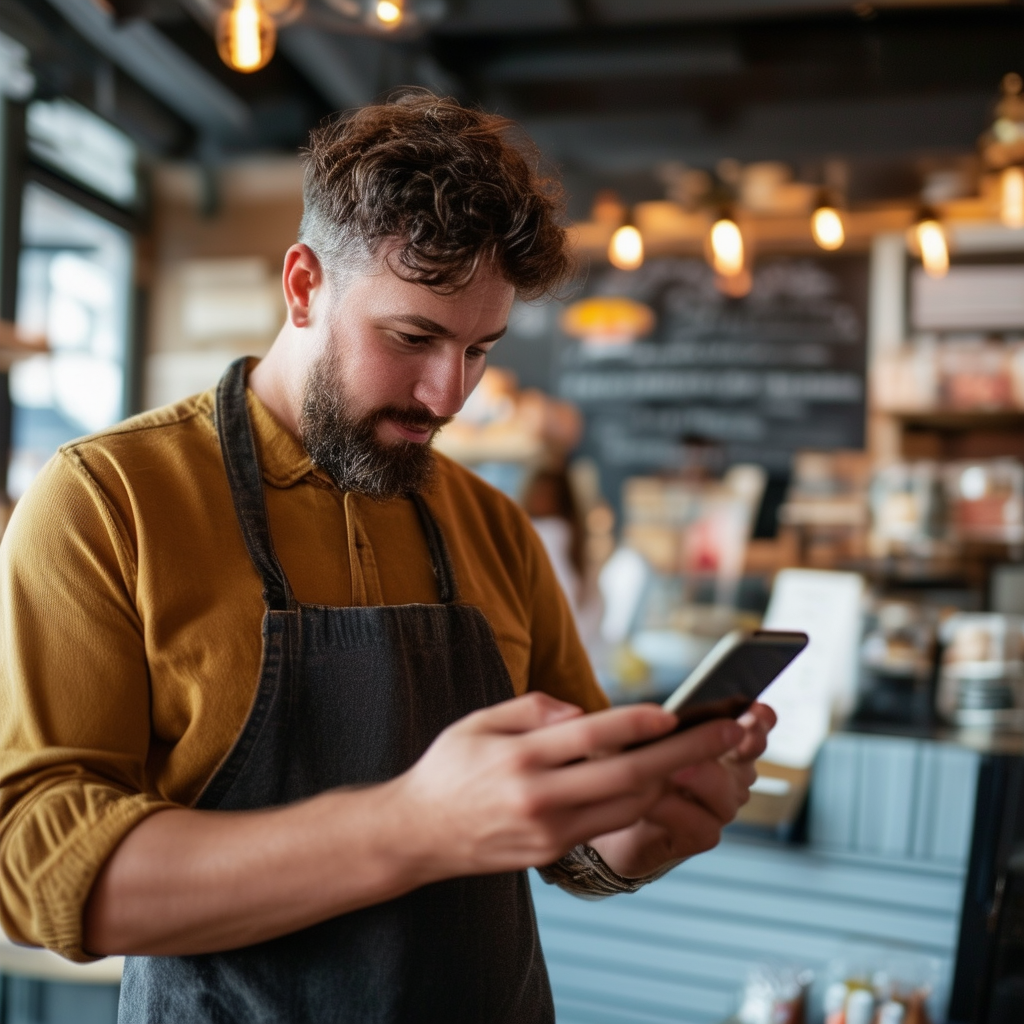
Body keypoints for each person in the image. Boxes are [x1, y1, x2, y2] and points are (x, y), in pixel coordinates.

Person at [0, 92, 775, 1024]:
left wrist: (644, 827)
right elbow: (32, 861)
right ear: (302, 287)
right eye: (413, 338)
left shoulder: (492, 525)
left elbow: (567, 840)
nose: (448, 392)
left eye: (480, 348)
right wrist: (415, 827)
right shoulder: (108, 500)